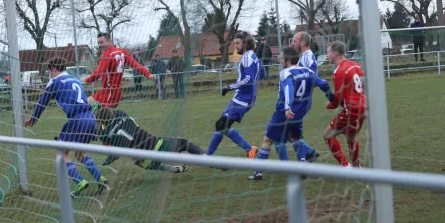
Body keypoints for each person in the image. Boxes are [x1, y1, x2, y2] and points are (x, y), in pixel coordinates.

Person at [24, 57, 106, 198]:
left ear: (54, 69)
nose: (49, 74)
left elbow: (42, 102)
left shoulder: (55, 82)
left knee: (61, 153)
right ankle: (100, 178)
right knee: (79, 153)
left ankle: (80, 182)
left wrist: (33, 119)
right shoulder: (74, 79)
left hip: (77, 119)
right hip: (90, 117)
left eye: (49, 71)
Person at [249, 47, 332, 181]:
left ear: (287, 60)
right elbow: (323, 84)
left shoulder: (285, 72)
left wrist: (287, 107)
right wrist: (332, 98)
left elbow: (289, 89)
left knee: (267, 140)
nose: (279, 60)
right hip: (299, 113)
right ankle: (303, 163)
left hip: (284, 113)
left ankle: (258, 172)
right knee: (295, 138)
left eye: (281, 58)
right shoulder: (307, 71)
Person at [95, 108, 204, 173]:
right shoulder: (121, 114)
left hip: (143, 160)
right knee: (184, 143)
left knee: (146, 163)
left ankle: (175, 169)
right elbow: (113, 112)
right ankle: (206, 157)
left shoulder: (105, 135)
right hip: (156, 145)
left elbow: (110, 146)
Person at [206, 31, 259, 159]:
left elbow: (248, 79)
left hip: (242, 100)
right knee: (220, 125)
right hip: (241, 98)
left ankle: (249, 149)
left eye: (238, 43)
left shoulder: (247, 58)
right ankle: (208, 156)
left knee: (221, 125)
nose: (236, 47)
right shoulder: (251, 56)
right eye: (234, 44)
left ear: (245, 43)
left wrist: (229, 87)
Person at [323, 41, 366, 168]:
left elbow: (337, 99)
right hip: (362, 107)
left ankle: (346, 166)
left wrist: (331, 105)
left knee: (327, 136)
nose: (327, 56)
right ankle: (356, 167)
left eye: (328, 52)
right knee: (351, 138)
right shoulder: (355, 65)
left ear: (335, 53)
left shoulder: (339, 71)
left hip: (352, 109)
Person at [85, 33, 155, 109]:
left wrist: (87, 80)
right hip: (112, 91)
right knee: (88, 105)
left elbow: (98, 73)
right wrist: (148, 74)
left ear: (109, 41)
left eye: (102, 42)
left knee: (98, 113)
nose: (100, 45)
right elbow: (135, 64)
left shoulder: (107, 54)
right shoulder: (123, 52)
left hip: (110, 92)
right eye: (98, 43)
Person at [288, 31, 321, 163]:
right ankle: (309, 153)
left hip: (302, 101)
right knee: (291, 132)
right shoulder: (303, 57)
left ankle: (303, 159)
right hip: (299, 100)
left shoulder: (308, 58)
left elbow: (312, 79)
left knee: (291, 131)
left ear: (303, 43)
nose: (292, 43)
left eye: (295, 41)